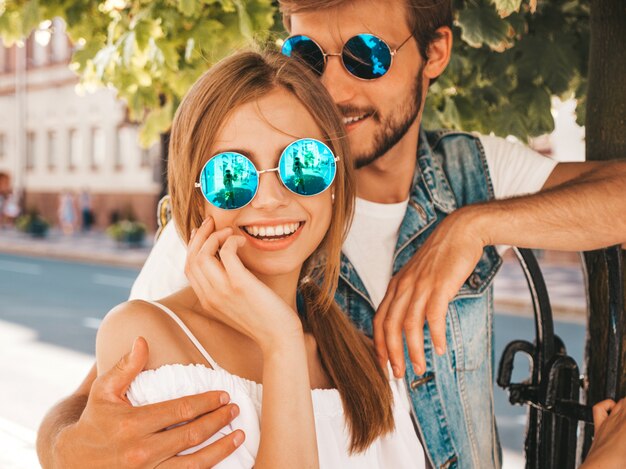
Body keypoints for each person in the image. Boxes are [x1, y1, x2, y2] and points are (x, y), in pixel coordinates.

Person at [38, 0, 626, 467]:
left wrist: (474, 226)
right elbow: (107, 387)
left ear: (435, 51)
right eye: (306, 55)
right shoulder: (235, 224)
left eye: (366, 55)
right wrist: (63, 447)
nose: (334, 86)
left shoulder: (472, 174)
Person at [99, 49, 427, 467]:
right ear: (197, 197)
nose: (272, 198)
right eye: (231, 175)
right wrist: (281, 342)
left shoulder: (365, 363)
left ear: (334, 180)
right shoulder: (147, 338)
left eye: (304, 163)